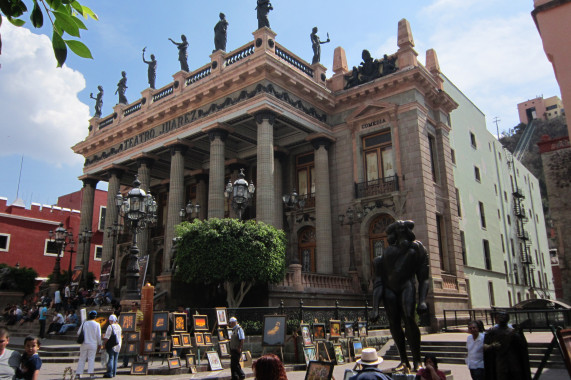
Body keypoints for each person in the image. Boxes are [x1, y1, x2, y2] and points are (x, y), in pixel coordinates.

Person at [370, 220, 429, 372]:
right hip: (389, 290)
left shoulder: (418, 248)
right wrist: (375, 307)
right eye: (398, 231)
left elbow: (424, 278)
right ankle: (404, 360)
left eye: (404, 231)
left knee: (409, 318)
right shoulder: (385, 254)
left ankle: (417, 360)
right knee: (394, 324)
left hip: (407, 286)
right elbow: (379, 281)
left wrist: (422, 300)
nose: (401, 234)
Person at [484, 311, 531, 380]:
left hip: (513, 361)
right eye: (500, 316)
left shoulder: (513, 331)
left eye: (504, 316)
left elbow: (523, 345)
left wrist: (519, 334)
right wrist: (492, 346)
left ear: (508, 318)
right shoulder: (492, 331)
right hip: (500, 361)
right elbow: (484, 346)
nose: (502, 318)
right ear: (497, 319)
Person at [75, 310, 101, 379]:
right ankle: (91, 373)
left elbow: (78, 333)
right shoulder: (97, 324)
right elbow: (99, 336)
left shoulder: (84, 323)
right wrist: (100, 344)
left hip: (84, 343)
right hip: (93, 344)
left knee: (82, 358)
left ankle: (78, 373)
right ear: (95, 317)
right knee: (91, 359)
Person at [121, 303, 143, 368]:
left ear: (136, 306)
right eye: (131, 306)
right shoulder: (129, 313)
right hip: (129, 332)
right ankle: (125, 363)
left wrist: (134, 324)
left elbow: (141, 322)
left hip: (136, 332)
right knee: (126, 347)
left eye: (133, 306)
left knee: (136, 347)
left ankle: (136, 361)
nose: (132, 307)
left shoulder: (140, 313)